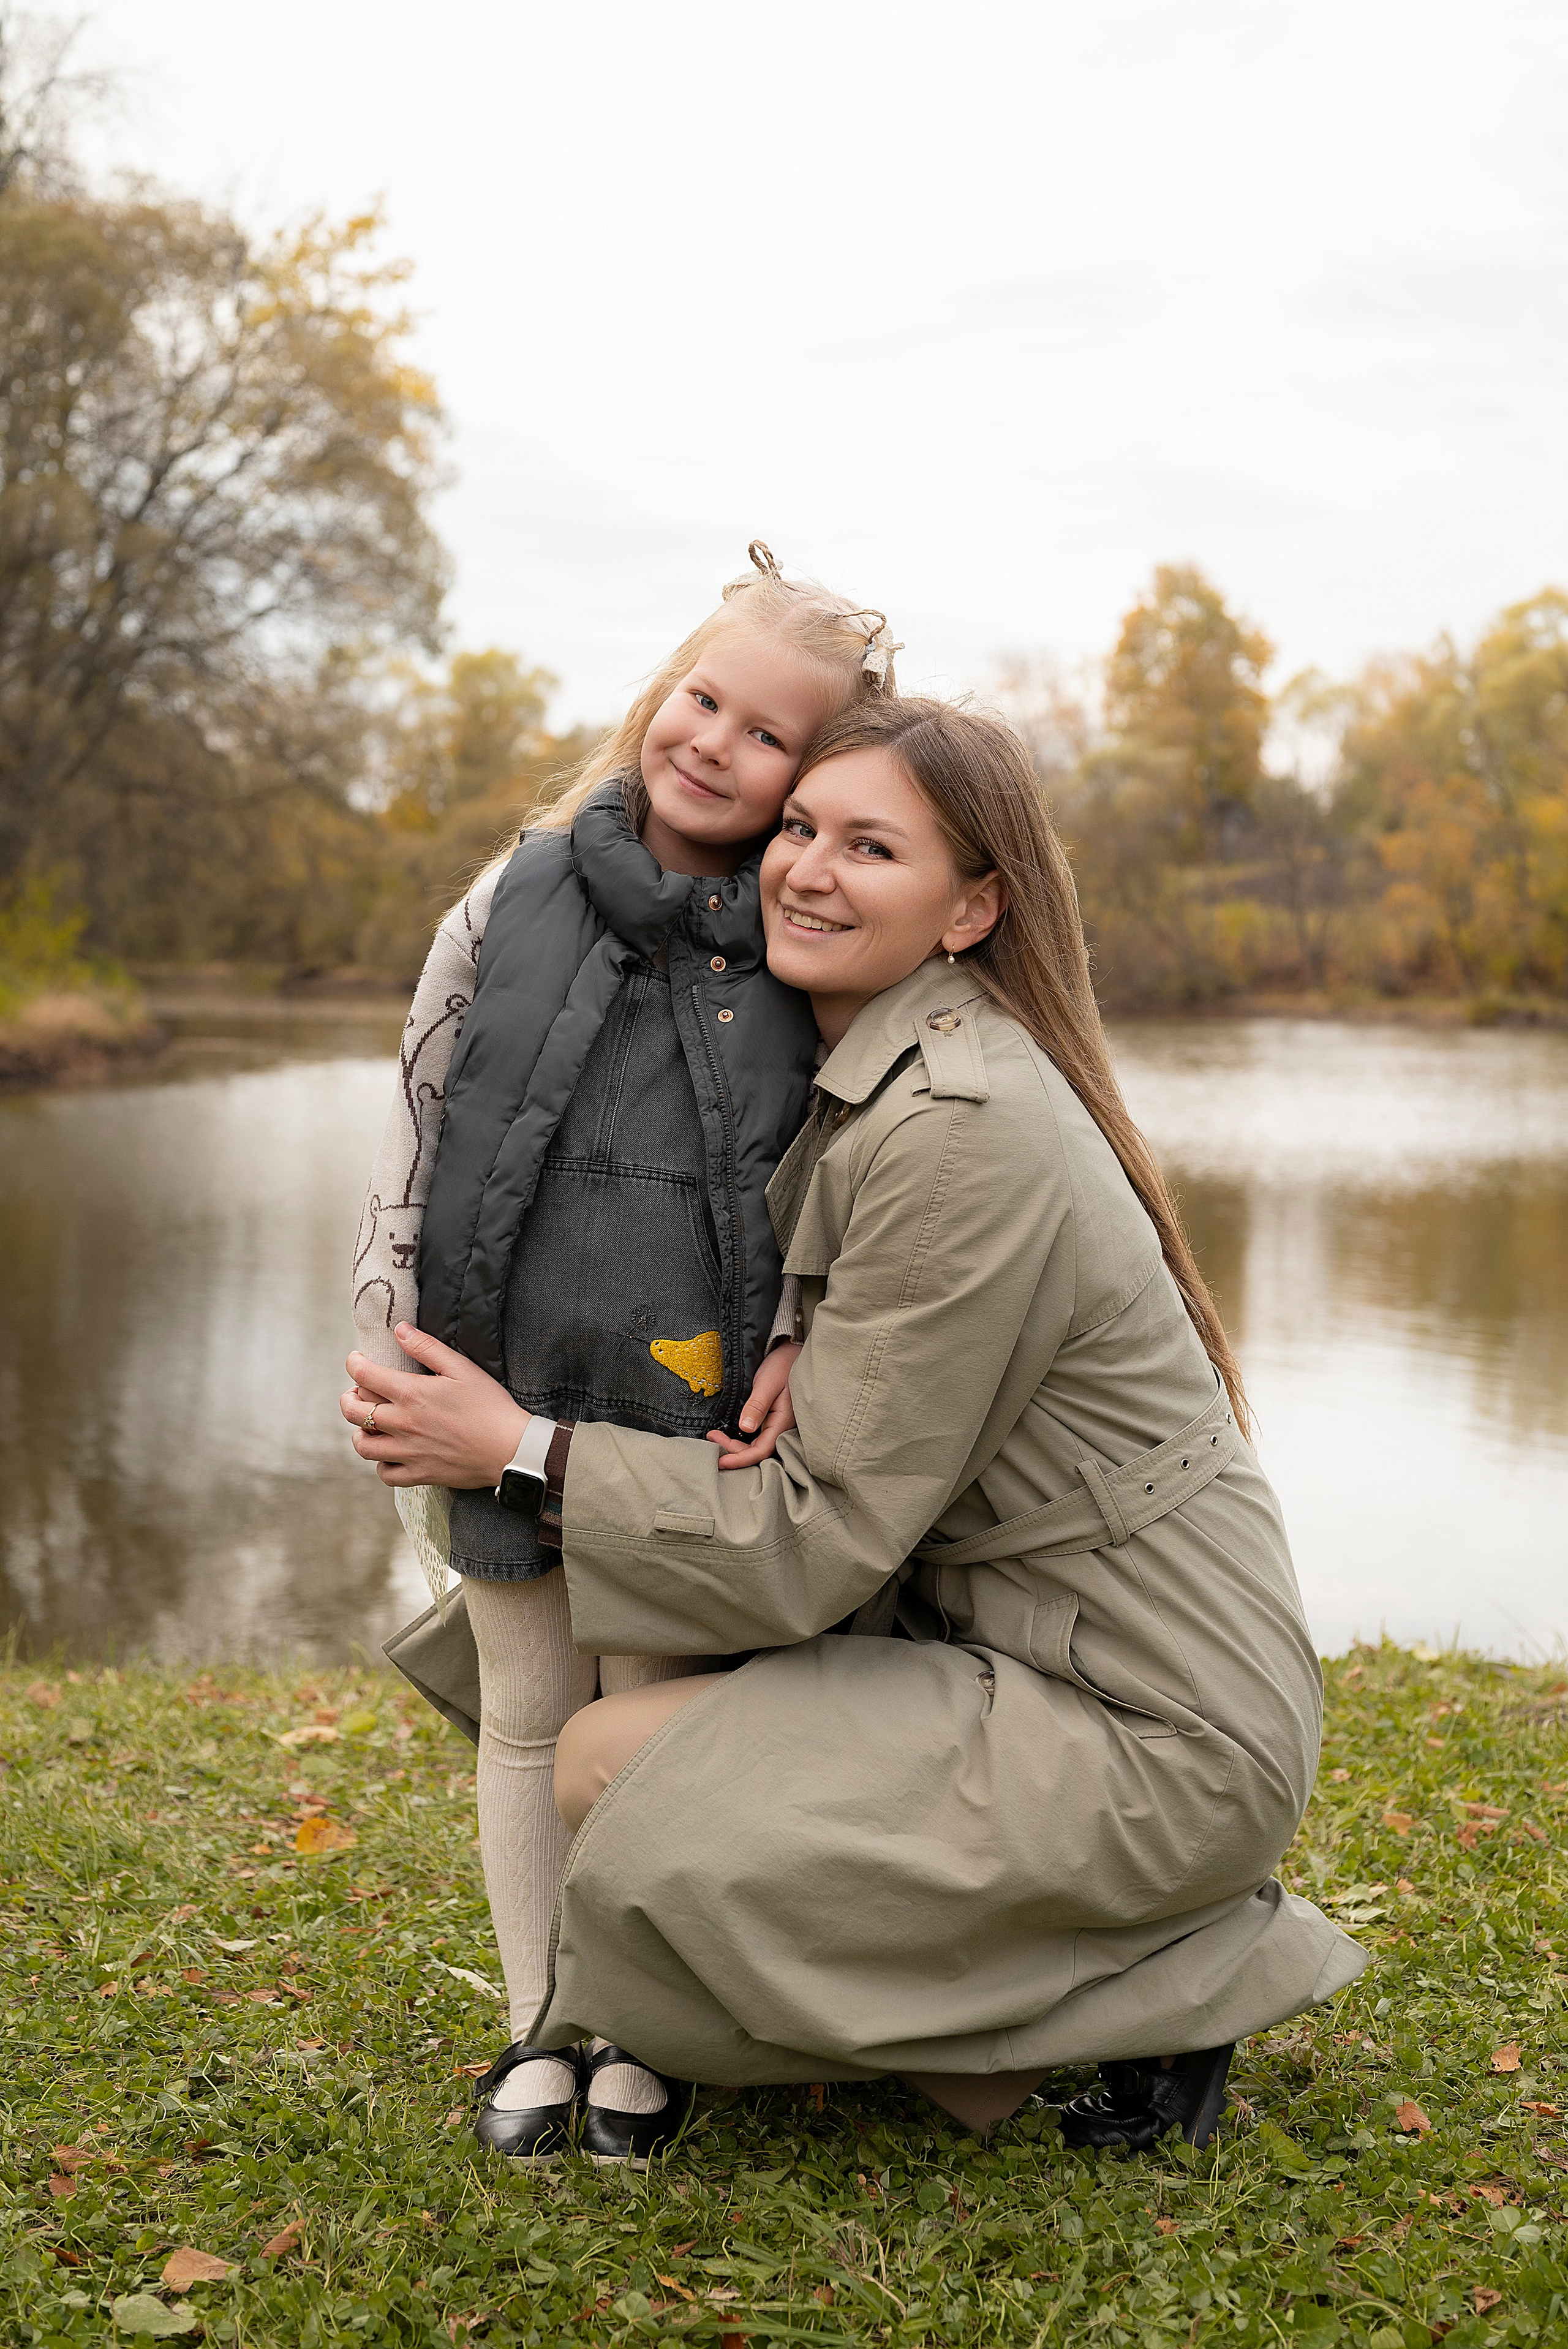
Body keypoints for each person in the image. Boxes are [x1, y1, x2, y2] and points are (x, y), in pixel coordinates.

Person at [345, 695, 1366, 2156]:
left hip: (1146, 1726)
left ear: (969, 908)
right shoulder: (871, 1069)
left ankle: (1175, 1972)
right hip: (1013, 1651)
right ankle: (1003, 2041)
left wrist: (518, 1445)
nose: (807, 870)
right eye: (802, 829)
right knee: (931, 2067)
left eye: (870, 847)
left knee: (609, 1766)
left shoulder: (957, 1127)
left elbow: (810, 1541)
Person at [346, 546, 901, 2165]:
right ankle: (540, 2022)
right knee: (527, 1704)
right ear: (661, 692)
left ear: (820, 778)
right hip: (487, 1368)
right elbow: (416, 1102)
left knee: (652, 1720)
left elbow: (841, 1168)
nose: (717, 740)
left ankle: (641, 2030)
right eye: (703, 697)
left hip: (689, 1405)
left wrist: (802, 1331)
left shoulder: (806, 944)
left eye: (769, 733)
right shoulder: (515, 887)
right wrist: (382, 1326)